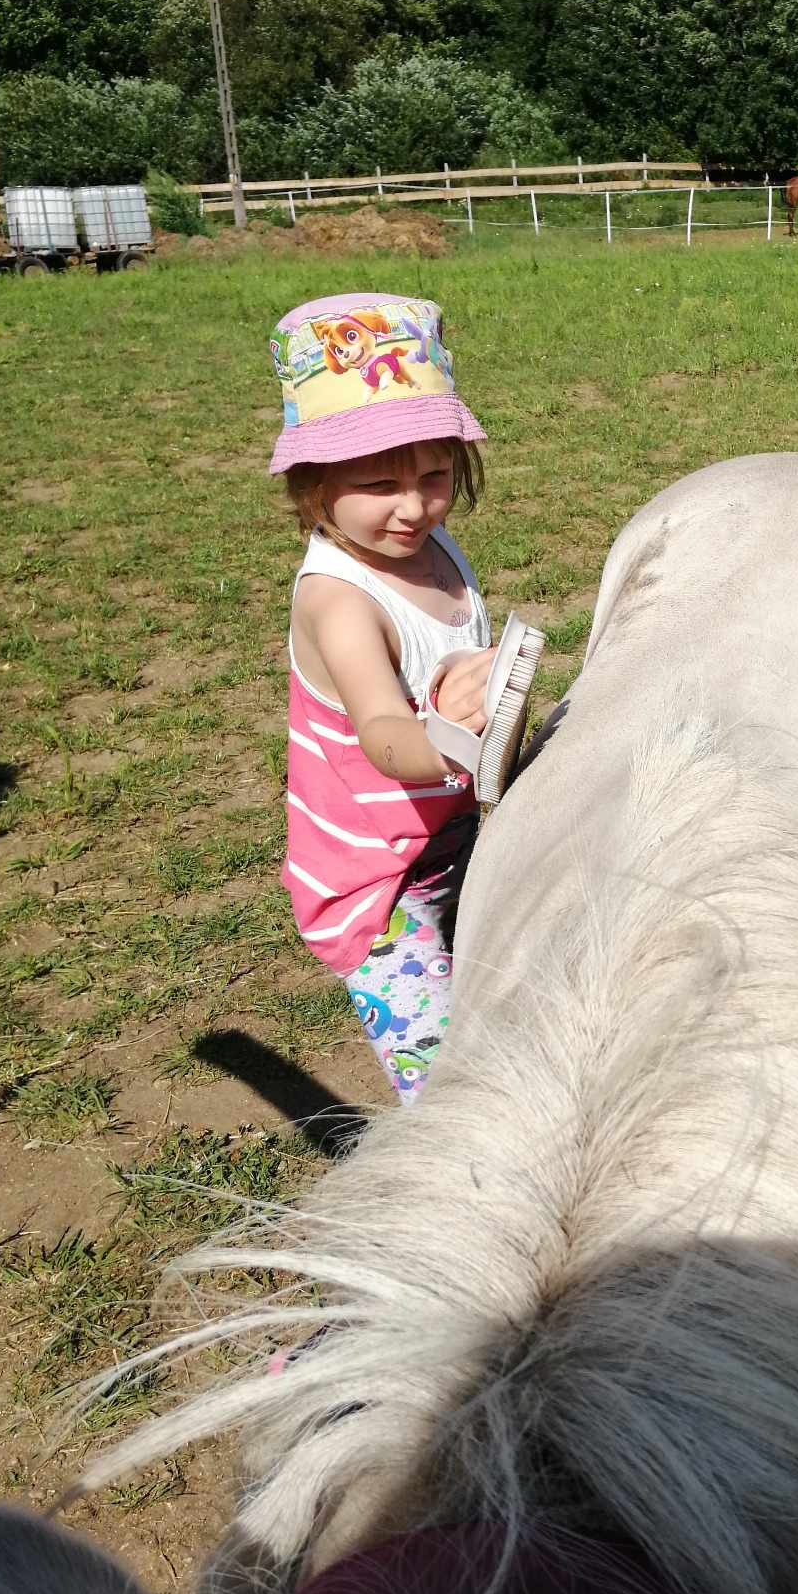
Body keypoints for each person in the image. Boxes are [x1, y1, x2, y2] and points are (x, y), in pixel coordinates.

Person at [268, 291, 534, 1104]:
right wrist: (451, 732)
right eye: (381, 482)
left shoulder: (431, 546)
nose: (414, 507)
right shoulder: (340, 602)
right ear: (314, 484)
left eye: (435, 475)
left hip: (451, 836)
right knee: (452, 1091)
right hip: (377, 888)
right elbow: (384, 730)